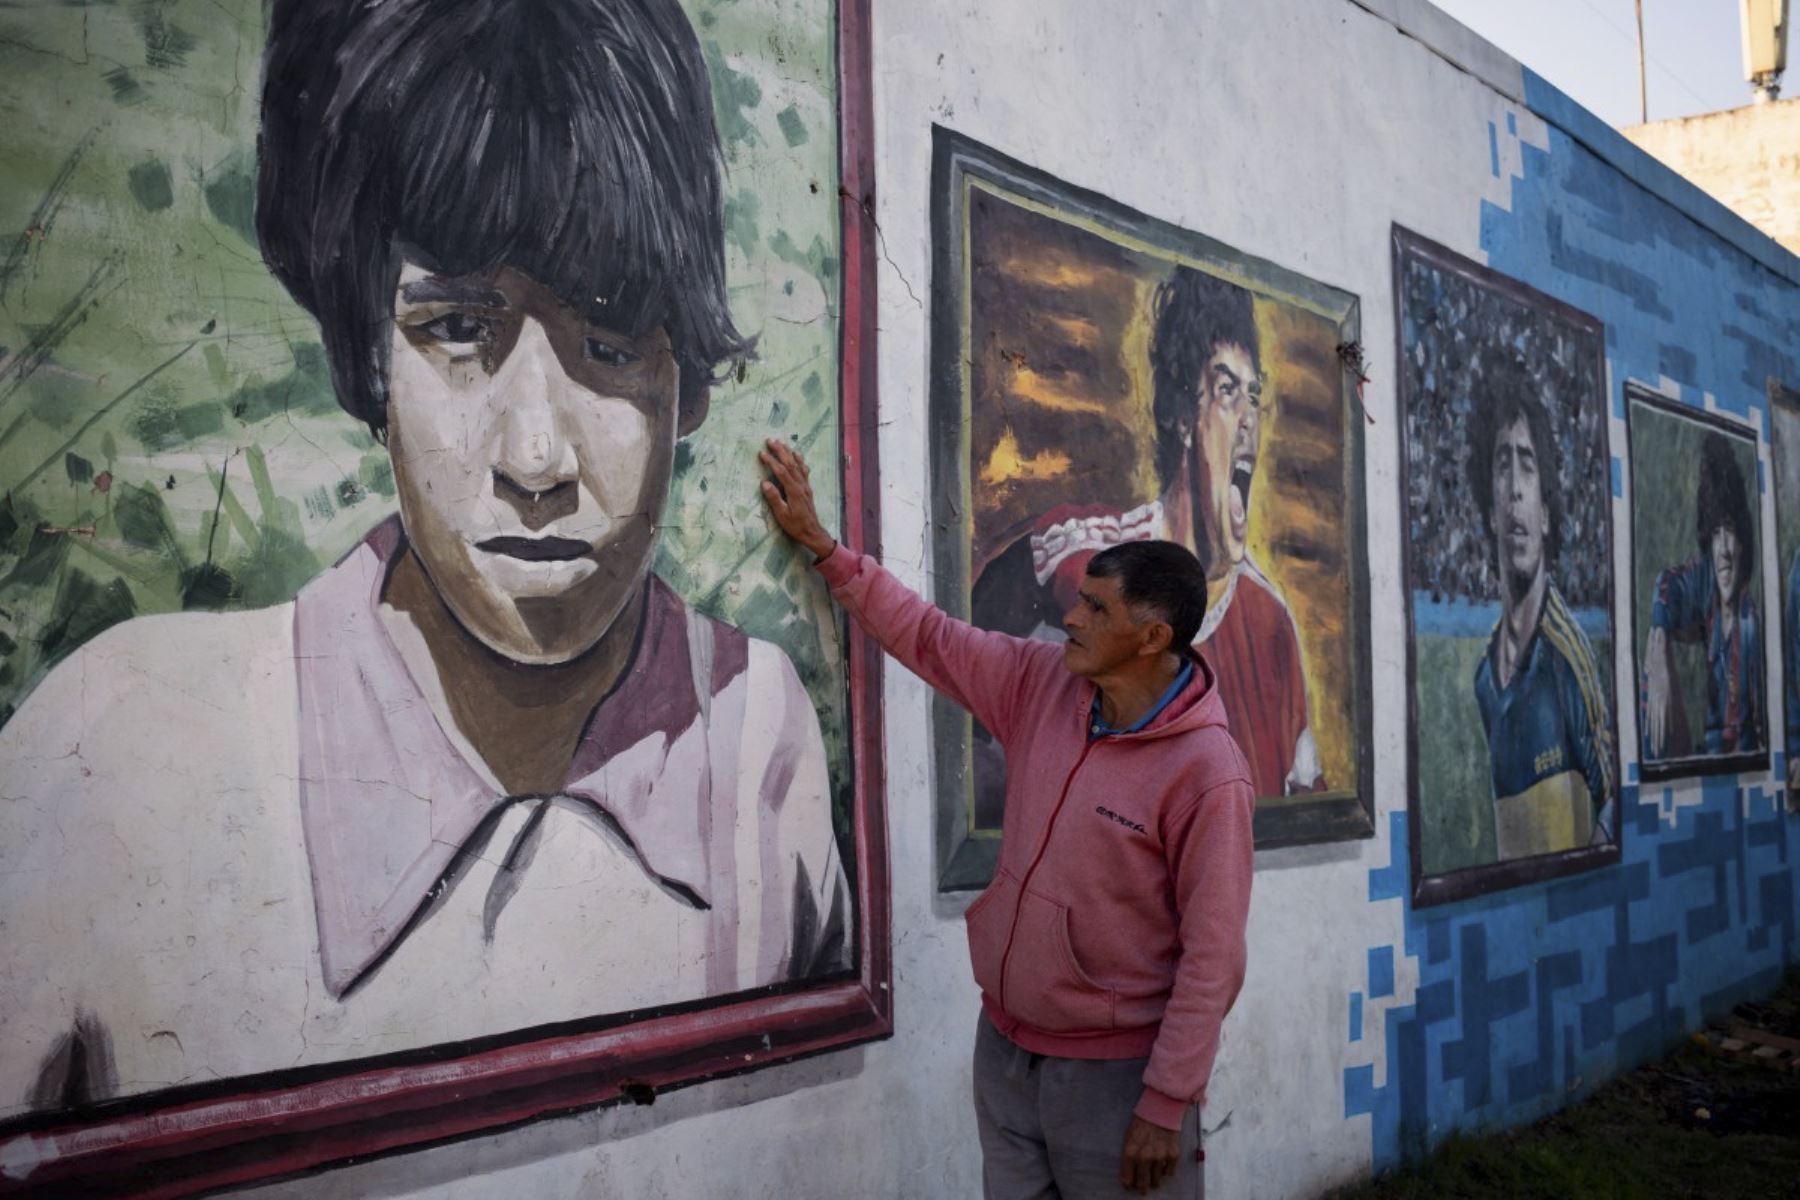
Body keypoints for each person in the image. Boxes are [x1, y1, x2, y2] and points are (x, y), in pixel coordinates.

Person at [0, 0, 846, 1112]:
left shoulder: (756, 729)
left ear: (678, 377)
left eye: (606, 343)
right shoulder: (123, 754)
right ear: (366, 356)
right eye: (456, 330)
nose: (536, 457)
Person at [761, 438, 1255, 1197]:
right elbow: (929, 638)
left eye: (1095, 608)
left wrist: (1166, 1100)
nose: (1072, 618)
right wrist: (827, 551)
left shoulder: (1207, 774)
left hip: (1118, 1079)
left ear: (1152, 638)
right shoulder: (1041, 685)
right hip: (1007, 1051)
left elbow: (1214, 955)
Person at [1026, 267, 1321, 798]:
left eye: (1254, 396)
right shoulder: (1105, 543)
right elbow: (1069, 567)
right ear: (1184, 415)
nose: (1249, 418)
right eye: (1228, 390)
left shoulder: (1270, 619)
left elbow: (1304, 797)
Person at [1466, 362, 1616, 859]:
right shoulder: (1484, 678)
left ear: (1547, 515)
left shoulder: (1568, 658)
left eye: (1527, 465)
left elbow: (1615, 804)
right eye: (1502, 464)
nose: (1514, 488)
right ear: (1490, 510)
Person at [1643, 430, 1767, 760]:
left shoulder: (1751, 620)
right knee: (1656, 650)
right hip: (1707, 757)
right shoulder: (1705, 579)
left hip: (1739, 767)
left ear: (1744, 539)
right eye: (1716, 533)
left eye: (1731, 531)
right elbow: (1667, 583)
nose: (1724, 548)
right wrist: (1659, 638)